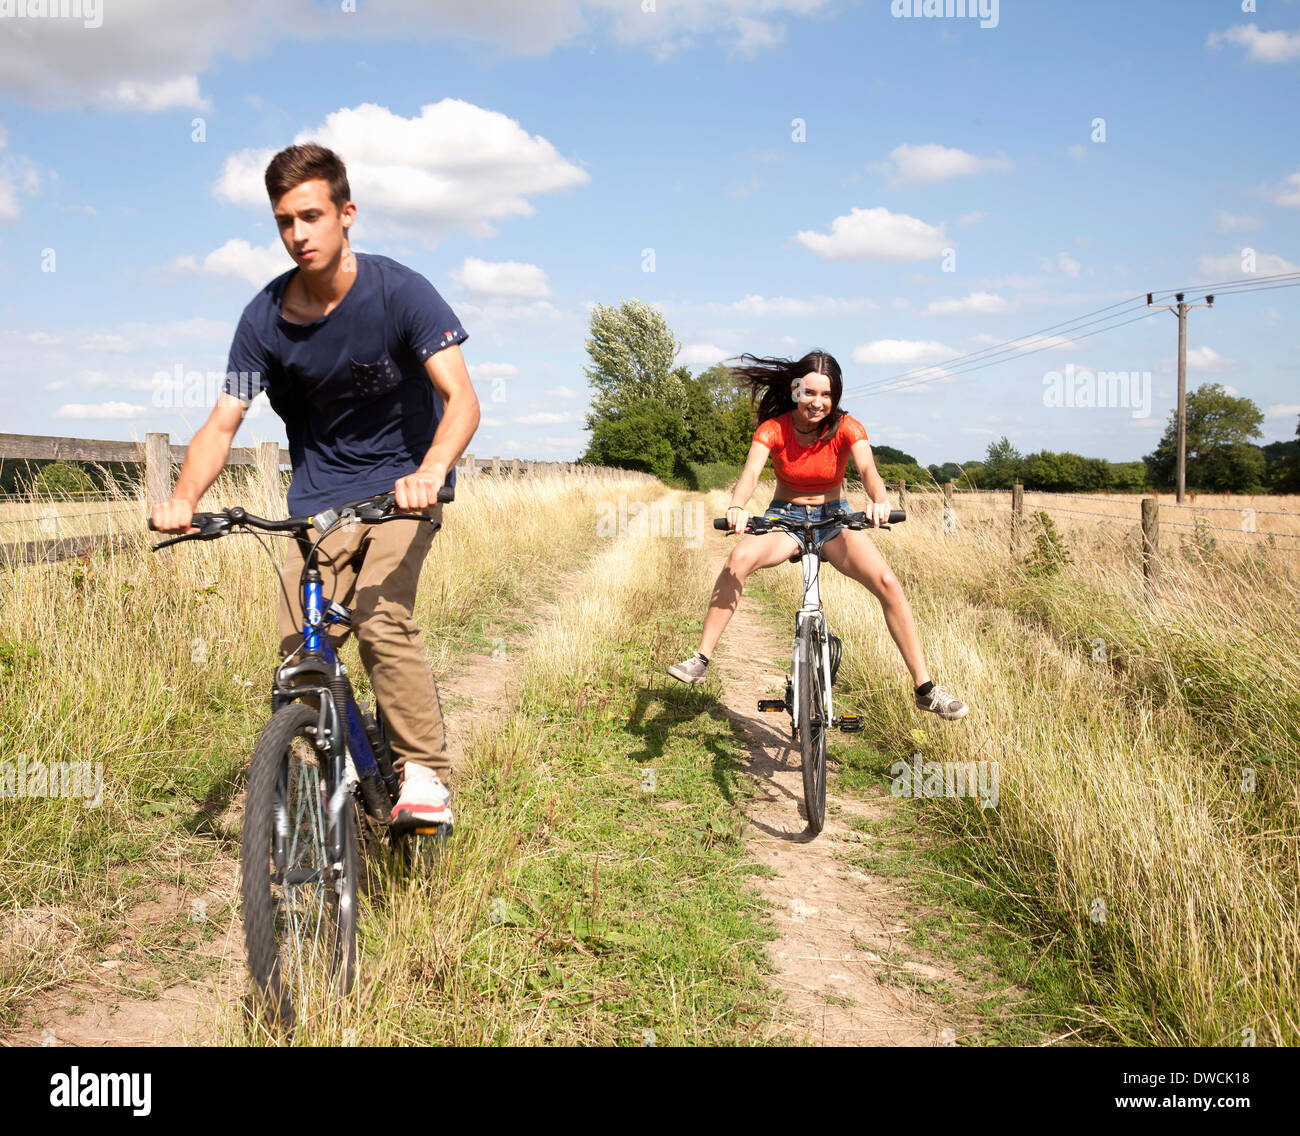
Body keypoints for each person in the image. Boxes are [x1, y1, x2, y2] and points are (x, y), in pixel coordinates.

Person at [149, 143, 480, 832]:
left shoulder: (400, 292)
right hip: (318, 508)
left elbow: (462, 400)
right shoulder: (263, 319)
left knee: (380, 616)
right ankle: (337, 772)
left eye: (311, 216)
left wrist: (429, 472)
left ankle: (422, 774)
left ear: (345, 213)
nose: (298, 234)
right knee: (301, 650)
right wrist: (183, 498)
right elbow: (223, 421)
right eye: (283, 222)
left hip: (400, 495)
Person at [667, 350, 967, 720]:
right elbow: (749, 474)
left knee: (887, 581)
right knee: (737, 560)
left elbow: (869, 469)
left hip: (835, 520)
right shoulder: (773, 429)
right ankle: (701, 658)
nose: (818, 402)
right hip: (784, 519)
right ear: (795, 391)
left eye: (826, 395)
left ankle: (925, 689)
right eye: (809, 393)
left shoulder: (847, 427)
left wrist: (880, 500)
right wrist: (737, 506)